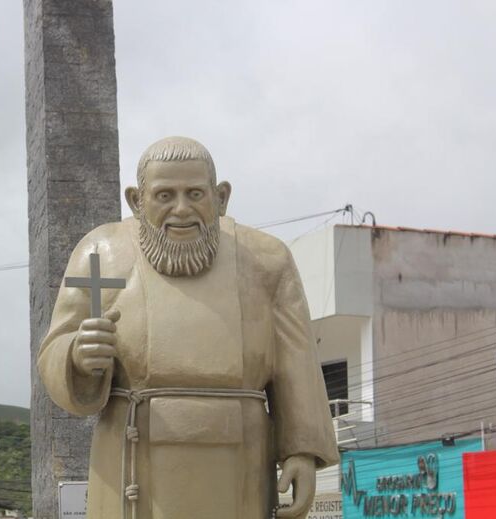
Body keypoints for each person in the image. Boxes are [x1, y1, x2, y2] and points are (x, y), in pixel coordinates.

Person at [38, 136, 339, 519]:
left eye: (195, 194)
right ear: (136, 200)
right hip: (131, 463)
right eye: (165, 196)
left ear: (221, 197)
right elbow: (56, 346)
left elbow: (296, 360)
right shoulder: (100, 253)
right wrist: (78, 356)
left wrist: (302, 451)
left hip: (240, 465)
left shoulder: (266, 260)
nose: (181, 210)